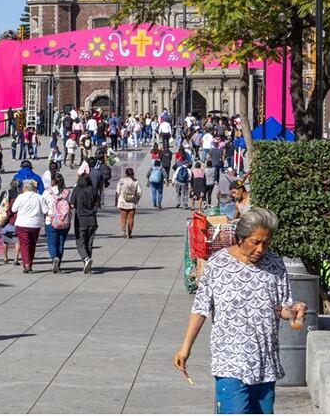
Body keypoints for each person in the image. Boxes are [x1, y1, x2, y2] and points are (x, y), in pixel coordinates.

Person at [173, 208, 306, 414]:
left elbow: (281, 307)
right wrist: (185, 348)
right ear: (240, 237)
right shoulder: (218, 264)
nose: (261, 249)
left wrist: (293, 311)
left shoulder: (275, 264)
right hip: (230, 362)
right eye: (255, 242)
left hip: (265, 363)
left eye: (266, 242)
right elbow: (200, 309)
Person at [12, 179, 49, 273]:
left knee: (24, 244)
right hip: (35, 224)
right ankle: (30, 263)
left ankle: (26, 264)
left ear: (25, 187)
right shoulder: (39, 197)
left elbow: (13, 209)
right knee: (32, 244)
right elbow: (45, 211)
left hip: (22, 223)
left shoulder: (20, 197)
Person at [69, 172, 99, 274]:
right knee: (89, 243)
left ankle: (86, 259)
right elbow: (96, 203)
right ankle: (88, 264)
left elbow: (72, 205)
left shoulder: (77, 190)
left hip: (81, 219)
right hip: (92, 219)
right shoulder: (92, 189)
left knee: (80, 242)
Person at [43, 172, 71, 274]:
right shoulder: (67, 192)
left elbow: (43, 206)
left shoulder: (47, 192)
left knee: (52, 242)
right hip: (64, 220)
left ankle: (54, 258)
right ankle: (58, 265)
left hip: (51, 219)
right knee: (61, 243)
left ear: (53, 181)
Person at [116, 167, 140, 238]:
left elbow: (117, 191)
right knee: (131, 218)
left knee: (123, 218)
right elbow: (139, 192)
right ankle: (130, 233)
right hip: (132, 202)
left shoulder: (121, 181)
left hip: (123, 201)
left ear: (126, 173)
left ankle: (123, 231)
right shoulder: (135, 181)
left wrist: (116, 199)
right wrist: (137, 199)